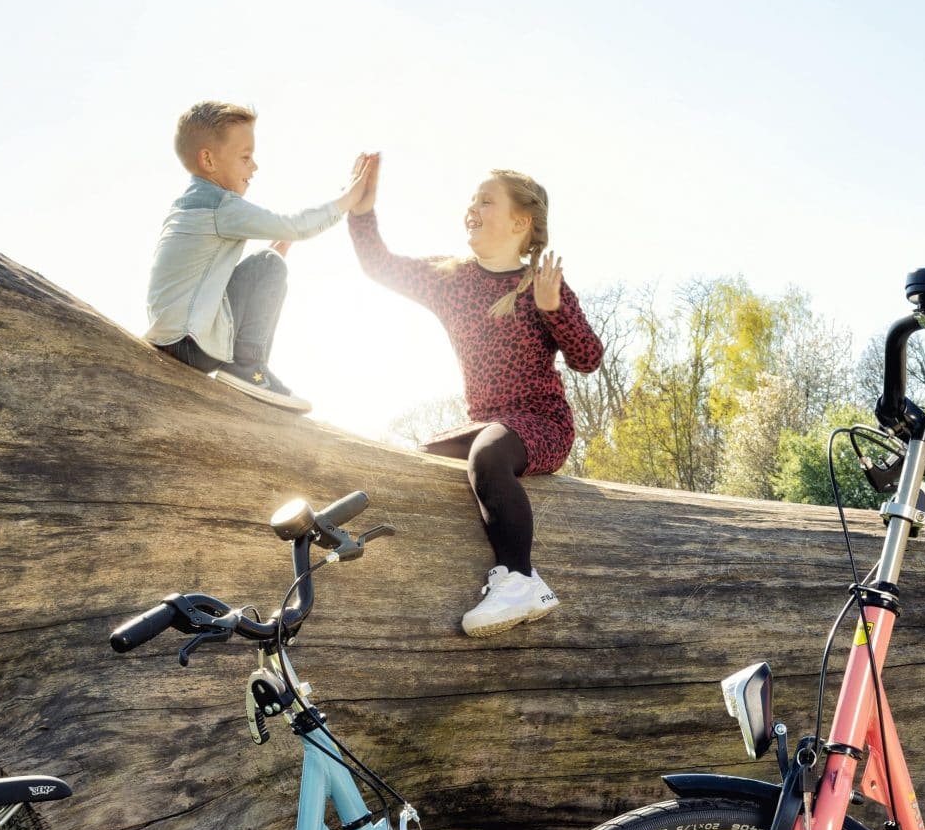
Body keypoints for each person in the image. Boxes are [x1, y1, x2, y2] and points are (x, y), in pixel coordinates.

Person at [347, 155, 604, 637]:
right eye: (472, 200)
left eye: (486, 201)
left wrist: (553, 311)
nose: (472, 208)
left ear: (519, 221)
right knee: (420, 461)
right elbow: (378, 264)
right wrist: (362, 212)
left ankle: (521, 580)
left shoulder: (540, 286)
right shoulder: (451, 277)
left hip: (540, 425)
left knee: (488, 454)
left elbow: (588, 358)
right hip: (483, 424)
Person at [145, 101, 371, 412]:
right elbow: (295, 225)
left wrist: (277, 250)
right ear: (208, 159)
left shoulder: (188, 206)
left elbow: (203, 279)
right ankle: (248, 368)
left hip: (171, 338)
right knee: (268, 264)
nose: (254, 167)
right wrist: (348, 198)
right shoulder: (220, 205)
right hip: (190, 343)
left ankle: (244, 367)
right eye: (245, 157)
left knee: (268, 259)